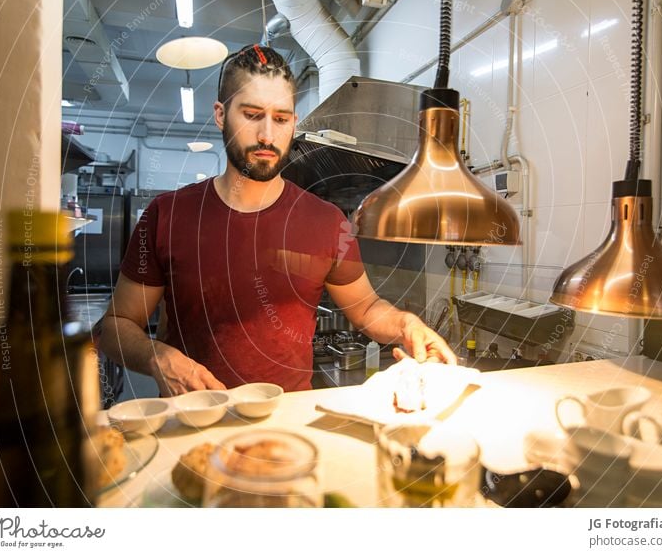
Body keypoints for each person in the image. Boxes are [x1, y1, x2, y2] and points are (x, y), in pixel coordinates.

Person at [98, 44, 456, 396]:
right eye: (252, 115)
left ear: (293, 122)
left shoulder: (327, 222)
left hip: (288, 427)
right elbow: (114, 326)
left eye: (281, 119)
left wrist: (406, 323)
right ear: (221, 114)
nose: (268, 135)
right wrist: (156, 356)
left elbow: (365, 309)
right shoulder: (167, 215)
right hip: (194, 425)